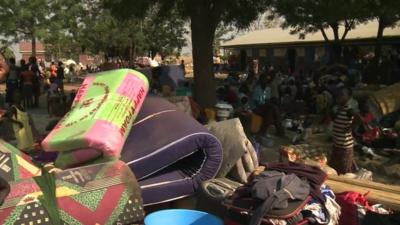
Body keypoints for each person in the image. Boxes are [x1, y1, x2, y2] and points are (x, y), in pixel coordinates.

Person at [329, 87, 357, 174]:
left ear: (348, 97)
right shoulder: (338, 108)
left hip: (345, 147)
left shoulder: (349, 110)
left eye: (342, 95)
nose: (339, 97)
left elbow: (359, 117)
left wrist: (351, 127)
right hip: (336, 144)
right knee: (334, 168)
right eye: (338, 95)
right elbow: (333, 118)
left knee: (344, 171)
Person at [251, 70, 285, 137]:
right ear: (261, 80)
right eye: (264, 79)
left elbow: (267, 100)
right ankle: (280, 131)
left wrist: (269, 103)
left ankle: (263, 131)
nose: (265, 81)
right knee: (273, 108)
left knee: (270, 111)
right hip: (256, 107)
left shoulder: (267, 89)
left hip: (265, 107)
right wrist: (268, 104)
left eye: (266, 80)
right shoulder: (257, 88)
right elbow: (257, 103)